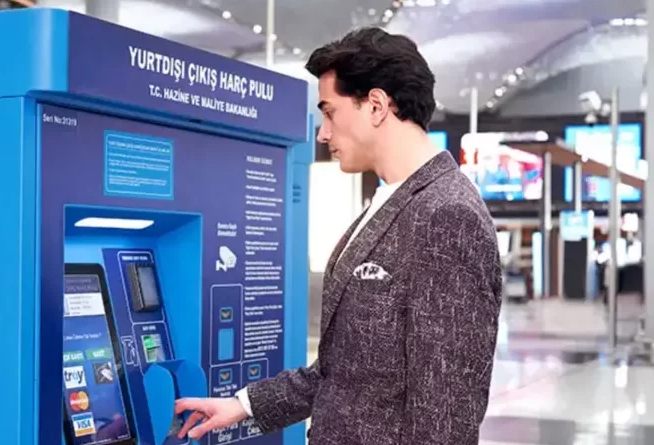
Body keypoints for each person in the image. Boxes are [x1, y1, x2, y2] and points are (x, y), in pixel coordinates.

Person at [175, 27, 503, 445]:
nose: (322, 134)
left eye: (330, 113)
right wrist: (243, 406)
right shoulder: (388, 202)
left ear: (377, 105)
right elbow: (342, 370)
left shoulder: (447, 215)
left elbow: (443, 416)